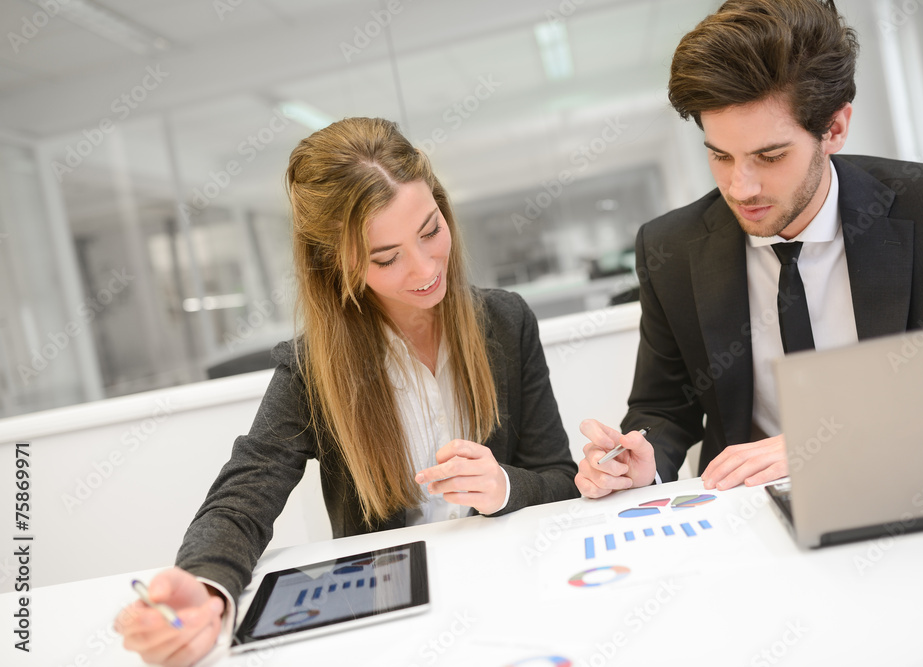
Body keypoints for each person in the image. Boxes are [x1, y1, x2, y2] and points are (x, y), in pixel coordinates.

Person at [116, 117, 579, 666]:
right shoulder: (314, 368)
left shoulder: (506, 321)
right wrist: (207, 585)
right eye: (386, 257)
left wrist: (502, 486)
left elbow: (560, 478)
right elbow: (242, 498)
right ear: (338, 263)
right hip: (395, 625)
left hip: (511, 592)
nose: (426, 267)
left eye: (430, 230)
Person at [576, 0, 923, 499]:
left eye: (770, 155)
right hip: (750, 515)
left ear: (834, 129)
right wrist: (639, 462)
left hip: (922, 487)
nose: (740, 187)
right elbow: (665, 407)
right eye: (720, 155)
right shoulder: (672, 246)